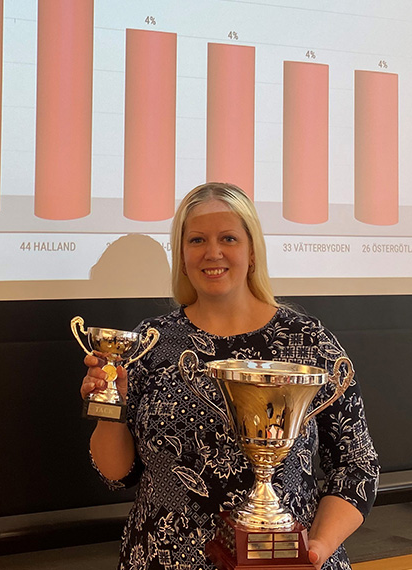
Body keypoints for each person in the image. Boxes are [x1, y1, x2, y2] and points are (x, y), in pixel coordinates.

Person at [82, 182, 380, 570]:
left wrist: (316, 549)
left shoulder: (308, 343)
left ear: (252, 251)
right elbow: (117, 475)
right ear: (182, 255)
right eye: (197, 240)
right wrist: (111, 407)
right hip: (163, 560)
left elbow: (355, 467)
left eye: (228, 238)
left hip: (284, 566)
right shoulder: (150, 343)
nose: (213, 252)